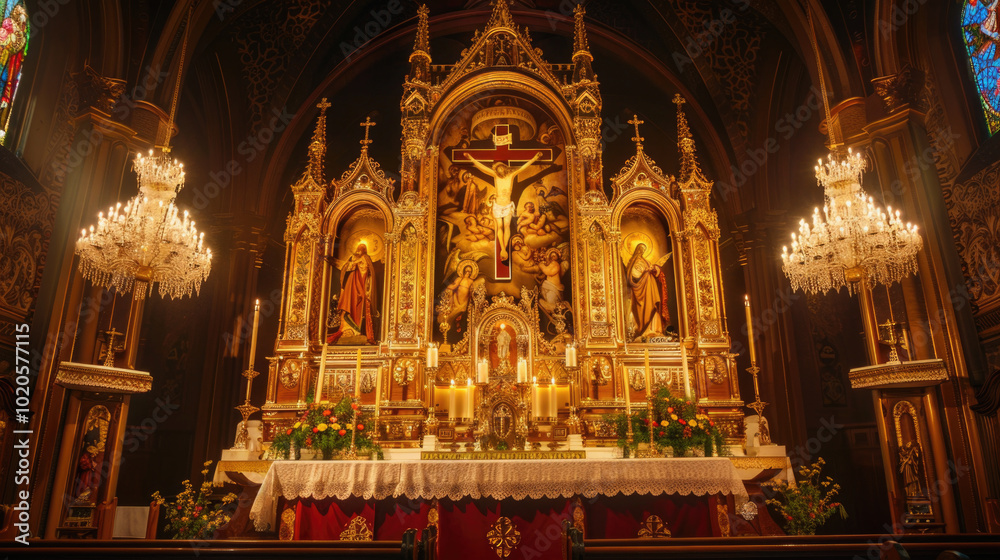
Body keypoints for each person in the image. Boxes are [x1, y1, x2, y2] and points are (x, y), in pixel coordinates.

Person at [464, 152, 543, 260]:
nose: (499, 170)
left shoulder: (511, 175)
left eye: (501, 167)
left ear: (505, 168)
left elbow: (523, 167)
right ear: (496, 170)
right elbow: (482, 167)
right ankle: (502, 248)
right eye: (498, 168)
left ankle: (504, 249)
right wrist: (471, 158)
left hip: (507, 206)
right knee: (499, 227)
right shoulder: (495, 175)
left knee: (506, 226)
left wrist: (534, 158)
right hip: (497, 206)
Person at [329, 243, 378, 344]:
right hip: (351, 286)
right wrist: (352, 264)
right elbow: (346, 268)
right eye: (359, 247)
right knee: (349, 304)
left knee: (360, 307)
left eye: (363, 248)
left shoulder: (366, 258)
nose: (360, 250)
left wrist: (359, 263)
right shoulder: (353, 257)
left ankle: (358, 331)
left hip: (361, 284)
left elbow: (367, 270)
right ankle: (347, 331)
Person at [626, 243, 670, 339]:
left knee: (654, 306)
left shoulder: (646, 261)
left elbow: (656, 273)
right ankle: (645, 331)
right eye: (640, 248)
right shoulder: (634, 261)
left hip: (650, 286)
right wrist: (645, 272)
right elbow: (633, 275)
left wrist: (654, 269)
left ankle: (655, 330)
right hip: (641, 288)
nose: (642, 251)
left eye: (644, 249)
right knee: (646, 307)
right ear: (637, 249)